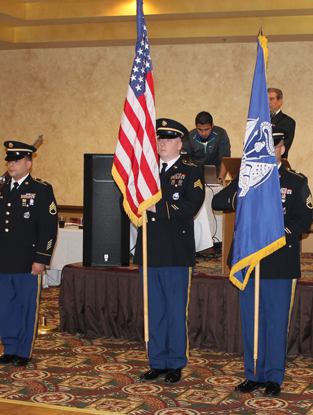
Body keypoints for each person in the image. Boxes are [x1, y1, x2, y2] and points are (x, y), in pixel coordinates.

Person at [212, 127, 313, 396]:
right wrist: (243, 196)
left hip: (279, 262)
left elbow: (303, 222)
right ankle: (253, 373)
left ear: (281, 149)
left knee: (276, 321)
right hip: (249, 261)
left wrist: (272, 231)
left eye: (274, 146)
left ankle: (273, 377)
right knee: (252, 320)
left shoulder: (295, 181)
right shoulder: (248, 178)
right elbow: (218, 200)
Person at [0, 141, 58, 367]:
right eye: (9, 160)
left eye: (16, 160)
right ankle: (10, 348)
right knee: (7, 307)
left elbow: (48, 228)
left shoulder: (41, 189)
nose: (11, 164)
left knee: (27, 307)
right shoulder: (2, 189)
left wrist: (41, 259)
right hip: (4, 258)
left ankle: (23, 351)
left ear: (28, 163)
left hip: (28, 261)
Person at [136, 118, 205, 385]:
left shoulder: (191, 171)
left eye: (168, 139)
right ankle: (157, 361)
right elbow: (128, 201)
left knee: (176, 310)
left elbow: (192, 206)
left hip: (176, 252)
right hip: (149, 250)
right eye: (159, 139)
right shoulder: (147, 172)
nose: (161, 143)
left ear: (180, 143)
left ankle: (175, 363)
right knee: (154, 310)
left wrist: (157, 207)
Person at [182, 111, 231, 183]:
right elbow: (183, 159)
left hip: (216, 177)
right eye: (200, 129)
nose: (203, 133)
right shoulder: (189, 137)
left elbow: (225, 158)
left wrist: (220, 179)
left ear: (212, 125)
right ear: (196, 126)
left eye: (207, 129)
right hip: (194, 177)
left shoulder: (221, 134)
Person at [268, 87, 296, 159]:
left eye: (271, 99)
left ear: (280, 101)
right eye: (266, 99)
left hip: (277, 161)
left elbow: (284, 145)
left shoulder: (288, 122)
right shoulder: (259, 120)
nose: (268, 102)